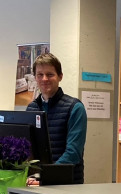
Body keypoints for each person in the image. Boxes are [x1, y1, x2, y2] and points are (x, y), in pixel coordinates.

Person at [26, 53, 87, 185]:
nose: (44, 79)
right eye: (40, 75)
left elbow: (73, 153)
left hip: (67, 185)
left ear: (60, 76)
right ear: (35, 78)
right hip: (36, 183)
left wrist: (45, 177)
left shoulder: (75, 108)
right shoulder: (31, 108)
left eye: (50, 74)